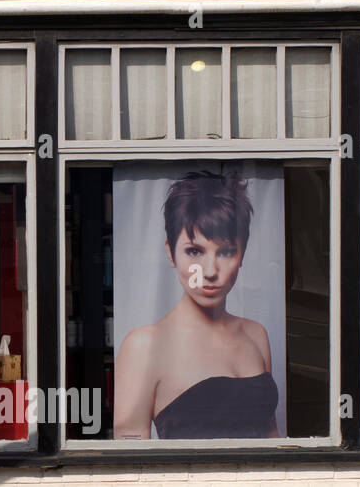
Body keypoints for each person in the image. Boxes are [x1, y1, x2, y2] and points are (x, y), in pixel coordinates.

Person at [114, 170, 279, 440]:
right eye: (194, 251)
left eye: (226, 251)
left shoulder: (255, 335)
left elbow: (272, 437)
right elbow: (130, 457)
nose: (210, 270)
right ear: (171, 253)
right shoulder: (144, 346)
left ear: (243, 254)